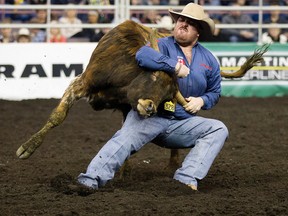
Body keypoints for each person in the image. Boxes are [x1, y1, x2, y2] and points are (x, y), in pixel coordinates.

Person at [76, 3, 228, 192]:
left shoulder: (209, 59)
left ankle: (186, 179)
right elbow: (143, 55)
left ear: (199, 31)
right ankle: (89, 180)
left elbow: (214, 92)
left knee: (218, 129)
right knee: (123, 139)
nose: (183, 24)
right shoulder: (162, 45)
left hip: (182, 123)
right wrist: (174, 66)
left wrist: (202, 101)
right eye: (181, 19)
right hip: (150, 115)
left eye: (190, 22)